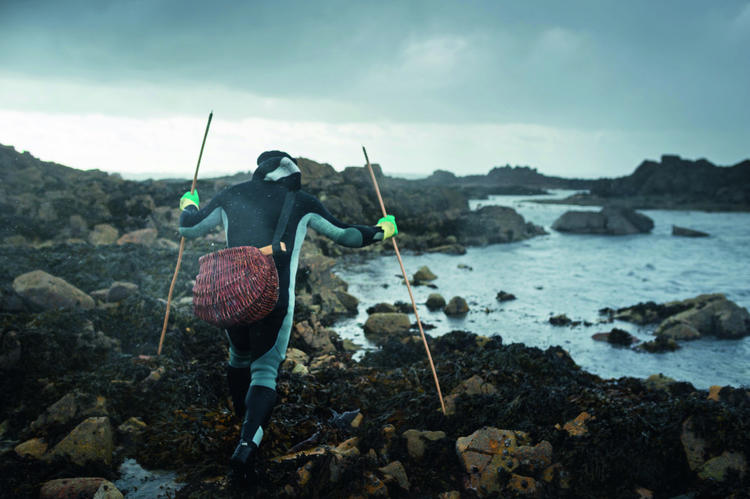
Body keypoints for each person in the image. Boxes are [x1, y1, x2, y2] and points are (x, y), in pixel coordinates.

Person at [177, 150, 397, 482]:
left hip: (232, 294)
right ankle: (247, 444)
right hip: (274, 299)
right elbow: (348, 236)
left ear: (260, 171)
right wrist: (383, 230)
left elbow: (189, 229)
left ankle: (242, 420)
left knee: (239, 356)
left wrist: (188, 203)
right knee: (264, 371)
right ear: (292, 175)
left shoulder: (231, 194)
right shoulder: (302, 202)